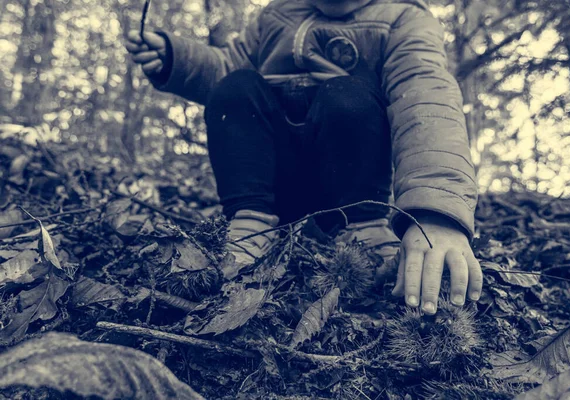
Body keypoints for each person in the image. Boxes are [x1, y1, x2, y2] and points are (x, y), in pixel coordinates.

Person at [125, 0, 483, 315]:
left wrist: (435, 216)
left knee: (347, 95)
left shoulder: (403, 19)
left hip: (348, 185)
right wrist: (176, 58)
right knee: (237, 87)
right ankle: (250, 220)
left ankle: (363, 225)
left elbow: (425, 102)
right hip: (274, 191)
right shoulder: (278, 14)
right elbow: (226, 69)